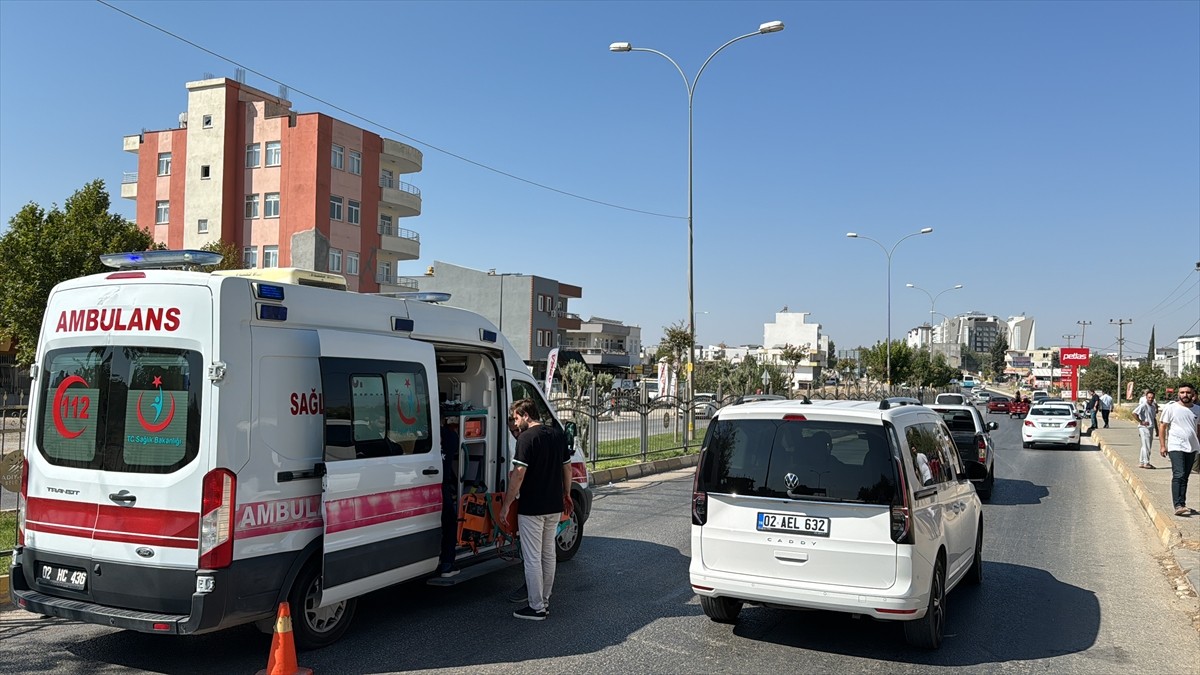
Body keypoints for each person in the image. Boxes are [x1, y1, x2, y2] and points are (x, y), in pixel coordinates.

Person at [500, 399, 572, 621]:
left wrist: (506, 505)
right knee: (548, 553)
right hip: (553, 506)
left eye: (515, 417)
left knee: (532, 558)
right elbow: (567, 468)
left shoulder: (526, 439)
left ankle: (536, 607)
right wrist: (567, 494)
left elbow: (518, 474)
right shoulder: (557, 435)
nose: (515, 422)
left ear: (525, 415)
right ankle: (545, 600)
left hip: (532, 507)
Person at [1158, 383, 1200, 517]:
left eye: (1188, 392)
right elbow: (1163, 427)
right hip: (1176, 446)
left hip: (1192, 447)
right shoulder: (1171, 408)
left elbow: (1198, 429)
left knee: (1185, 476)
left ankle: (1182, 503)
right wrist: (1163, 445)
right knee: (1179, 474)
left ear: (1193, 394)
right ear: (1178, 394)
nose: (1185, 395)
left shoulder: (1197, 410)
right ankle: (1177, 505)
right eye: (1182, 392)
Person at [437, 417, 461, 577]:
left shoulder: (423, 436)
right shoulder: (450, 436)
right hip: (443, 486)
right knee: (450, 523)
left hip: (427, 486)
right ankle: (447, 564)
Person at [1132, 391, 1158, 469]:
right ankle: (1146, 462)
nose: (1150, 399)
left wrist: (1157, 430)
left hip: (1150, 427)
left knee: (1145, 445)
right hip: (1144, 428)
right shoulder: (1143, 405)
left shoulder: (1153, 407)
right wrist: (1141, 421)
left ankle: (1142, 462)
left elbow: (1154, 418)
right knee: (1147, 445)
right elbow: (1134, 413)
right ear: (1146, 398)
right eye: (1149, 397)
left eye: (1152, 398)